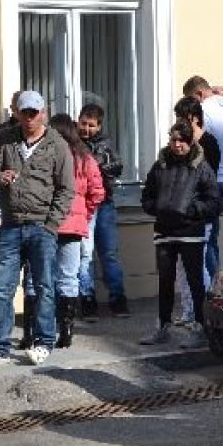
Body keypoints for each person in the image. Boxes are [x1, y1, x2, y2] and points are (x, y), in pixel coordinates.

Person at [0, 91, 74, 367]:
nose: (29, 118)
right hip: (10, 225)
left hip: (42, 227)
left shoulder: (57, 144)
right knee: (2, 289)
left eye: (34, 112)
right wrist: (0, 177)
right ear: (16, 113)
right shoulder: (5, 139)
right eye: (24, 112)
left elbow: (67, 189)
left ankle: (43, 343)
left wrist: (51, 224)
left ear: (43, 113)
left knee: (44, 287)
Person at [138, 119, 220, 348]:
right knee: (165, 281)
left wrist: (191, 211)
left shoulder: (201, 166)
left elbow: (214, 200)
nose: (177, 145)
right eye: (173, 140)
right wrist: (158, 209)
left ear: (190, 141)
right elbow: (147, 196)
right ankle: (163, 327)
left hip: (190, 232)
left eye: (182, 140)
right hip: (164, 231)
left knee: (195, 281)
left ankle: (200, 328)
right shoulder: (160, 165)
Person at [42, 113, 104, 348]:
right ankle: (66, 331)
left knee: (44, 276)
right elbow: (97, 192)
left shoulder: (48, 156)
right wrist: (84, 215)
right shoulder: (85, 158)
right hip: (74, 226)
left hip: (48, 223)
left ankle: (44, 327)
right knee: (69, 276)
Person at [76, 103, 131, 320]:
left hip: (104, 203)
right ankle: (87, 298)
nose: (86, 129)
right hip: (82, 205)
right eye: (83, 123)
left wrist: (97, 166)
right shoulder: (73, 143)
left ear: (99, 126)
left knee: (109, 253)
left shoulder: (105, 144)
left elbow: (118, 166)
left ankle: (117, 298)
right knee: (85, 255)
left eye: (91, 125)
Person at [171, 95, 220, 329]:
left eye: (180, 117)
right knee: (182, 265)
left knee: (198, 264)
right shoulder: (183, 143)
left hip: (200, 213)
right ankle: (189, 311)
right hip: (181, 214)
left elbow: (205, 181)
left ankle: (205, 314)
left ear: (192, 118)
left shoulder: (208, 143)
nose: (178, 122)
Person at [183, 75, 223, 283]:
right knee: (212, 240)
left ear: (198, 95)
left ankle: (212, 289)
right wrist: (213, 89)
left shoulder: (203, 111)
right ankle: (216, 285)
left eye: (191, 99)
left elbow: (191, 140)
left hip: (206, 181)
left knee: (203, 243)